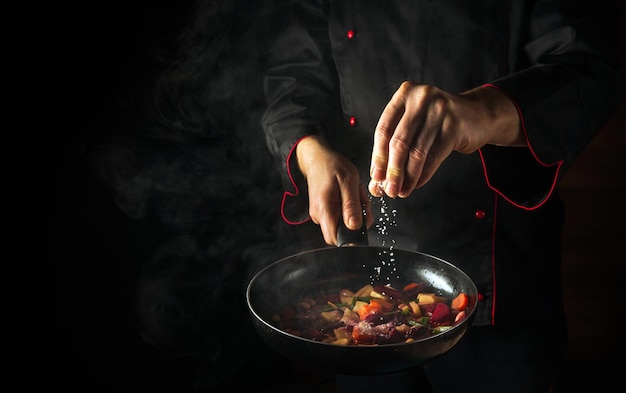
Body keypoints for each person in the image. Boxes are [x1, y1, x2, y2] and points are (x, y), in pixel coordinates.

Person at [260, 0, 621, 392]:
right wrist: (310, 152)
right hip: (366, 277)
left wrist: (480, 110)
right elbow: (291, 73)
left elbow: (590, 67)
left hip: (502, 285)